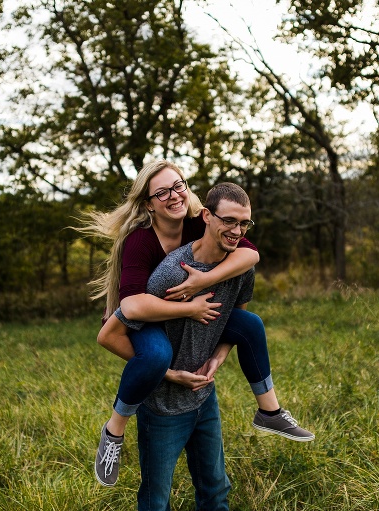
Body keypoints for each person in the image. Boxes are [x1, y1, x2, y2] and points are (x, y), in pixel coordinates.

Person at [81, 160, 313, 488]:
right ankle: (114, 429)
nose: (174, 196)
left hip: (188, 305)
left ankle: (270, 412)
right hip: (142, 320)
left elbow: (251, 255)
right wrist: (189, 308)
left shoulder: (195, 223)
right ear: (148, 204)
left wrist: (203, 281)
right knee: (157, 355)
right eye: (161, 192)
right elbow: (132, 306)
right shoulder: (141, 240)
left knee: (249, 324)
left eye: (179, 185)